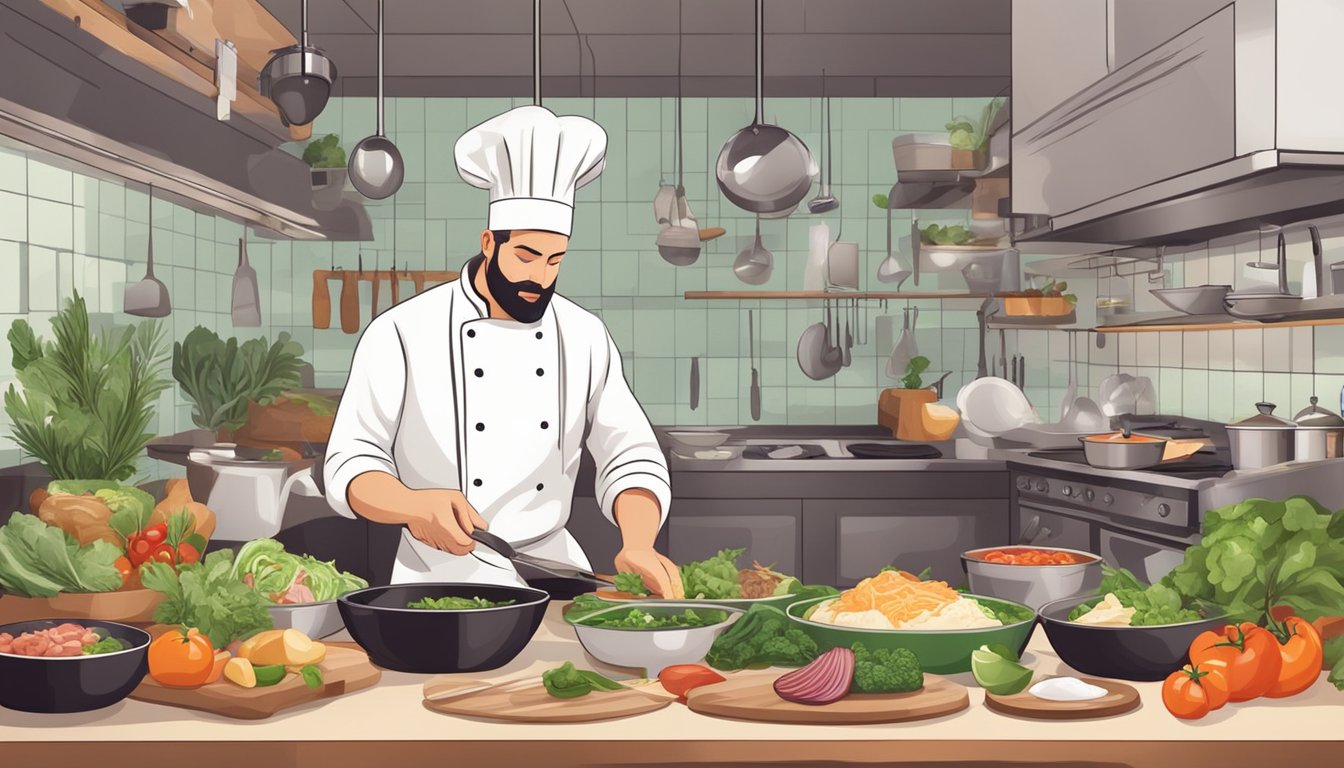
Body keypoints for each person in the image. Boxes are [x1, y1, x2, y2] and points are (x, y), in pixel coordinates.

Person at [323, 105, 684, 598]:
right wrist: (411, 505)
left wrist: (639, 542)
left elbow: (630, 453)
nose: (541, 277)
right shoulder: (402, 332)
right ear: (489, 242)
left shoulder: (584, 335)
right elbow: (350, 462)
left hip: (554, 573)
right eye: (527, 256)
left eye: (556, 259)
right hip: (438, 579)